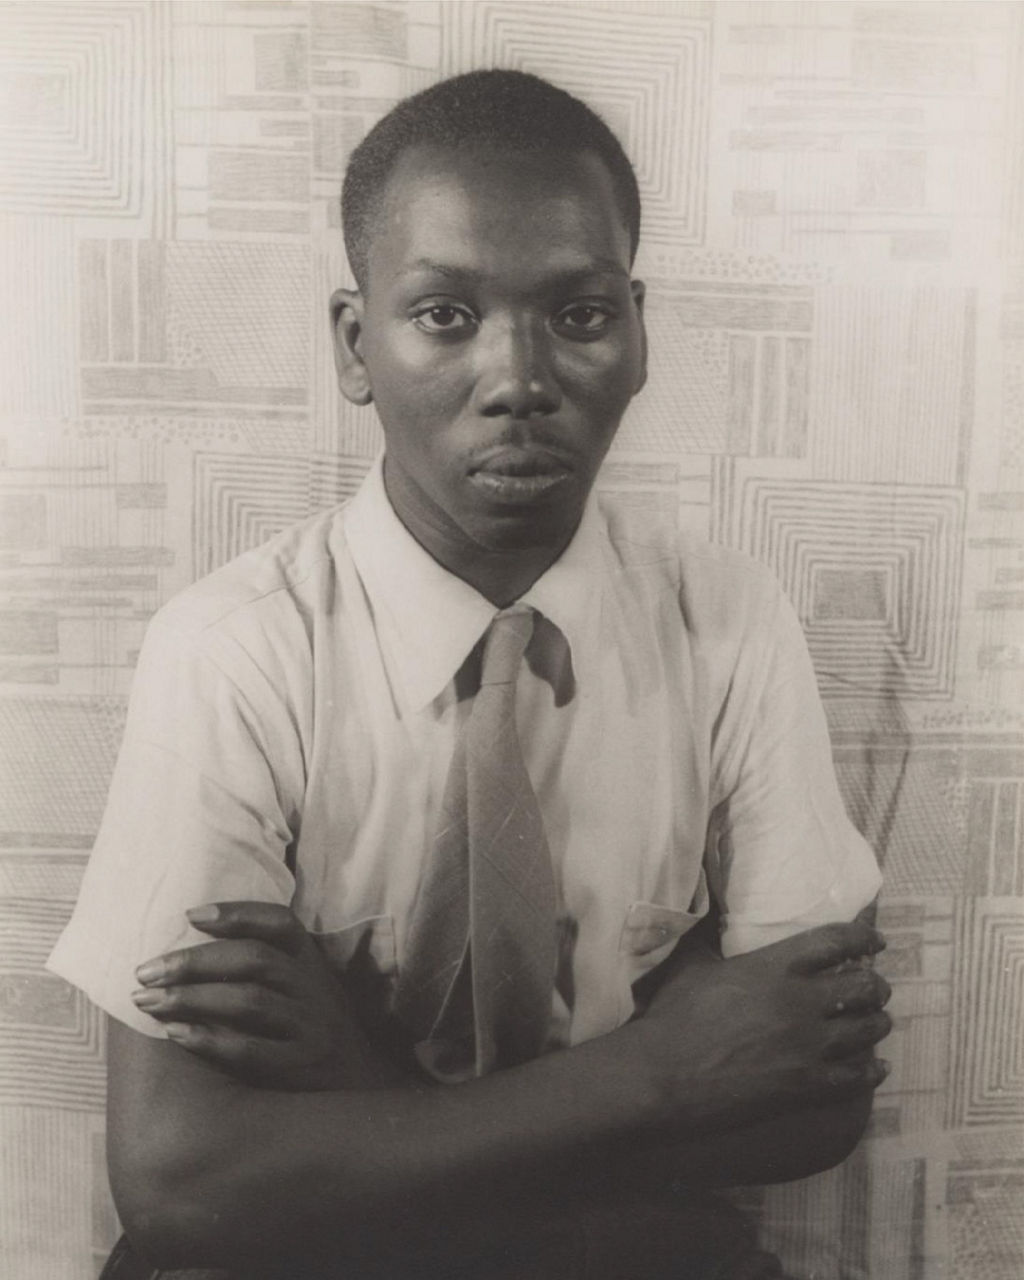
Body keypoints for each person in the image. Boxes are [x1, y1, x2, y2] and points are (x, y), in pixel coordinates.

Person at [49, 70, 892, 1280]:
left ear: (639, 333)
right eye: (445, 314)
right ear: (355, 343)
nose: (517, 377)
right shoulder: (235, 647)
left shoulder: (729, 619)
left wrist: (355, 1085)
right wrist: (658, 1072)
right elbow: (183, 1178)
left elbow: (814, 1101)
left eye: (580, 314)